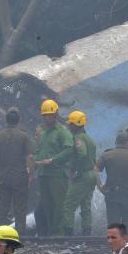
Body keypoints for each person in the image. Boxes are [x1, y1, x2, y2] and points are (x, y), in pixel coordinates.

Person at [0, 107, 32, 236]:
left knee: (2, 210)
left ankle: (1, 236)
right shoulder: (24, 136)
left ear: (5, 120)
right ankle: (20, 237)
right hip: (20, 177)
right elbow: (30, 157)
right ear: (19, 120)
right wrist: (30, 174)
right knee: (20, 210)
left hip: (2, 178)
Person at [32, 99, 75, 236]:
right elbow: (39, 150)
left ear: (55, 115)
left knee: (59, 206)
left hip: (57, 175)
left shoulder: (62, 132)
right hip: (44, 174)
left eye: (49, 115)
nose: (46, 118)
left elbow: (69, 150)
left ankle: (59, 234)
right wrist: (35, 161)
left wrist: (52, 160)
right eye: (44, 115)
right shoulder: (44, 133)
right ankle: (51, 234)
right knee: (47, 206)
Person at [62, 110, 99, 236]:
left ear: (75, 125)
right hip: (92, 175)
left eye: (70, 124)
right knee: (85, 205)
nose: (68, 126)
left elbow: (81, 153)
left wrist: (74, 169)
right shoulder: (89, 139)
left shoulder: (78, 138)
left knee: (68, 204)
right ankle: (86, 233)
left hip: (83, 175)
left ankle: (68, 233)